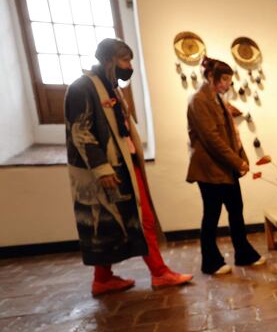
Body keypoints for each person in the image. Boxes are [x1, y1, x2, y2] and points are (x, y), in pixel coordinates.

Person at [65, 38, 193, 296]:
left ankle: (102, 279)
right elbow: (81, 132)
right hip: (107, 170)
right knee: (118, 221)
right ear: (109, 61)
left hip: (124, 164)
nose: (129, 66)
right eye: (125, 60)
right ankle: (159, 273)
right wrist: (102, 168)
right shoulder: (82, 88)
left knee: (119, 222)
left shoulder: (112, 88)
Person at [186, 56, 265, 275]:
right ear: (211, 76)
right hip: (209, 169)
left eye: (229, 80)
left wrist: (241, 161)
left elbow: (230, 134)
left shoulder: (217, 98)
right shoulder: (199, 100)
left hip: (224, 168)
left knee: (236, 210)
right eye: (224, 79)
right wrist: (237, 161)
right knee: (211, 215)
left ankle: (243, 253)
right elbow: (212, 139)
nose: (227, 84)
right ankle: (210, 261)